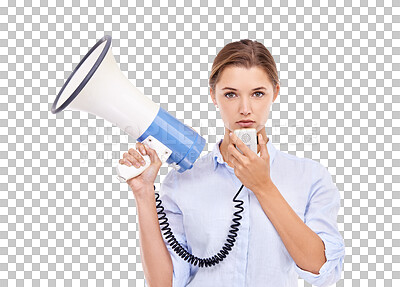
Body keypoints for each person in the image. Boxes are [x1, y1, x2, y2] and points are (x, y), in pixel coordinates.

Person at [119, 39, 345, 287]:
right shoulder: (183, 179)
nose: (245, 109)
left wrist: (263, 186)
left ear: (275, 93)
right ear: (213, 96)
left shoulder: (309, 176)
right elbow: (163, 283)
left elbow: (323, 271)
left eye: (258, 94)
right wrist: (143, 194)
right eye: (230, 94)